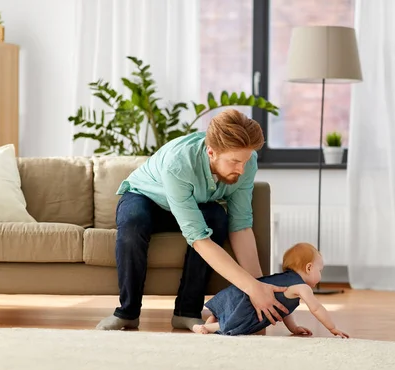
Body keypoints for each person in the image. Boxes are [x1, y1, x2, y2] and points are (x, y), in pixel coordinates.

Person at [96, 109, 290, 332]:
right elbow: (198, 239)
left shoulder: (246, 162)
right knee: (133, 221)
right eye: (235, 161)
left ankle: (186, 312)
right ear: (211, 152)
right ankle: (127, 313)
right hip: (146, 197)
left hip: (189, 203)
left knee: (217, 217)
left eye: (245, 161)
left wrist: (260, 289)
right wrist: (252, 288)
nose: (242, 169)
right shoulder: (179, 164)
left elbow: (241, 226)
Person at [192, 242, 349, 338]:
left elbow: (285, 310)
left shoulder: (288, 281)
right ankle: (207, 328)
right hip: (249, 305)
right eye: (320, 270)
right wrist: (332, 328)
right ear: (309, 267)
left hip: (241, 292)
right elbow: (316, 308)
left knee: (227, 315)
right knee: (238, 323)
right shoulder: (302, 287)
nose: (320, 274)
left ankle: (210, 325)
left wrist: (293, 328)